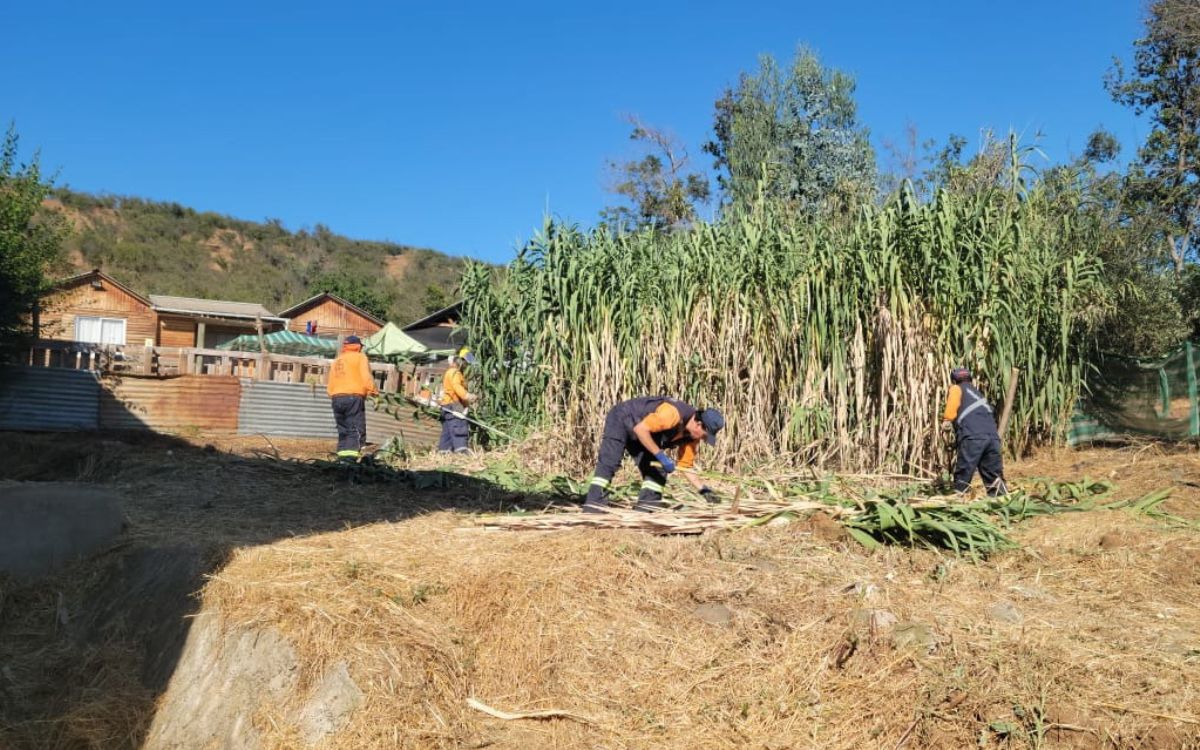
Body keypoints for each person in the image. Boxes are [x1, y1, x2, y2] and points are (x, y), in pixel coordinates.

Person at [583, 396, 725, 513]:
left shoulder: (692, 438)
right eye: (705, 435)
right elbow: (641, 429)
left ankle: (646, 508)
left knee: (658, 470)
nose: (704, 439)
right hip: (623, 418)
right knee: (609, 463)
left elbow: (685, 466)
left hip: (643, 432)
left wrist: (703, 490)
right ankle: (594, 507)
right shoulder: (672, 414)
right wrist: (661, 455)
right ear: (698, 425)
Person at [941, 366, 1006, 495]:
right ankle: (1001, 503)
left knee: (964, 473)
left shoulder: (956, 388)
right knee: (993, 474)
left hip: (972, 437)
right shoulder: (978, 394)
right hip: (993, 438)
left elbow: (950, 413)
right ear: (970, 380)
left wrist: (947, 421)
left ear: (954, 380)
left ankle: (959, 500)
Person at [327, 335, 378, 460]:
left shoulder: (338, 360)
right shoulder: (360, 357)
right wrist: (374, 393)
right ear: (358, 346)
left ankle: (342, 459)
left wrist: (334, 395)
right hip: (353, 397)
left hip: (336, 398)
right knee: (355, 429)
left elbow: (330, 382)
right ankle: (350, 461)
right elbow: (366, 377)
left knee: (343, 430)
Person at [438, 347, 478, 453]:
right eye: (465, 362)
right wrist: (467, 396)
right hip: (454, 404)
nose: (466, 365)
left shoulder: (450, 372)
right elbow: (457, 387)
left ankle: (444, 451)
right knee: (459, 426)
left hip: (446, 404)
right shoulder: (455, 372)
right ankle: (461, 450)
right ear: (459, 361)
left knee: (448, 429)